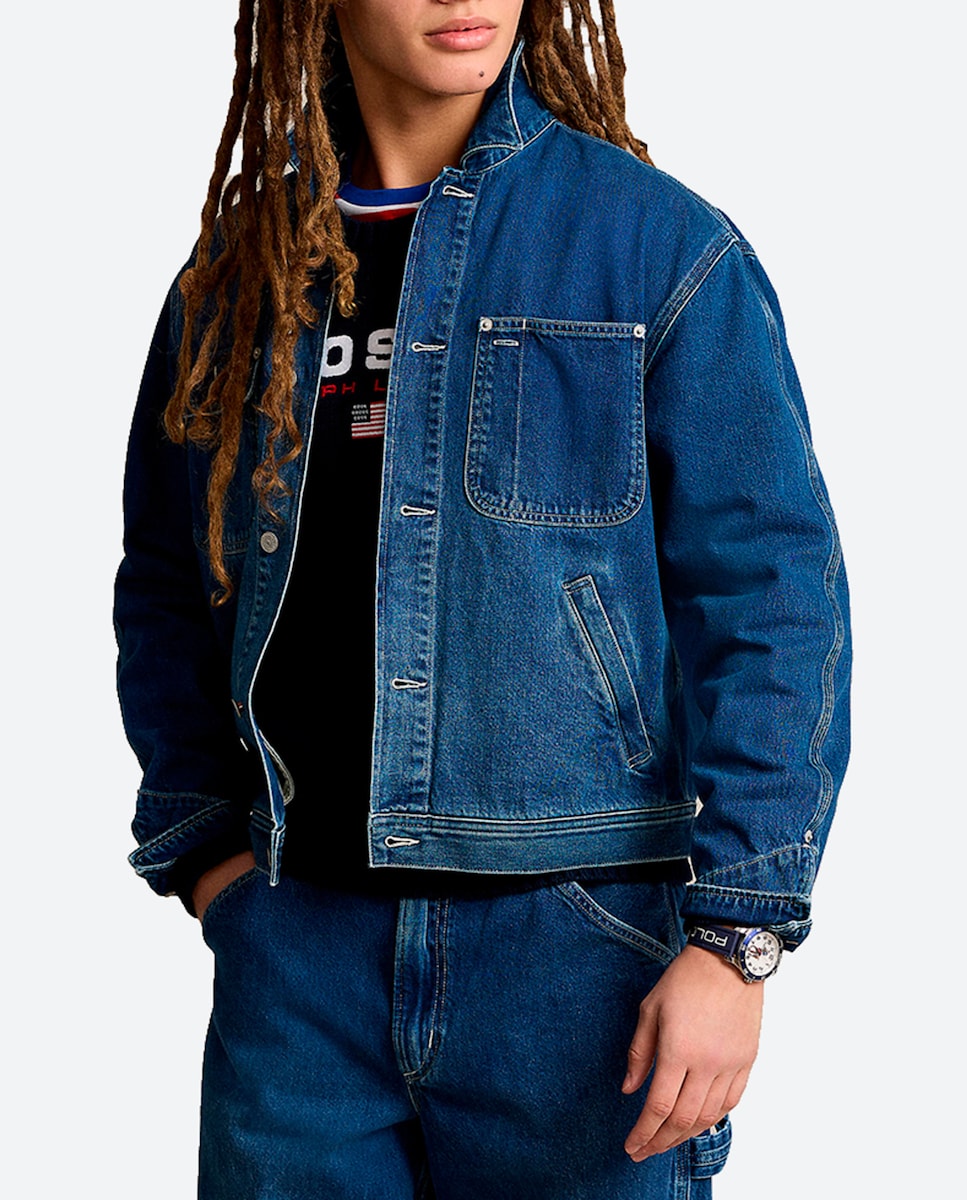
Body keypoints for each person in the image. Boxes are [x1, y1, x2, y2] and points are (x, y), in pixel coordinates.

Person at [114, 1, 851, 1196]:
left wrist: (738, 936)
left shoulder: (655, 246)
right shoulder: (240, 277)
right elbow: (165, 582)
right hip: (297, 964)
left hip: (581, 956)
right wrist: (210, 859)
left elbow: (774, 597)